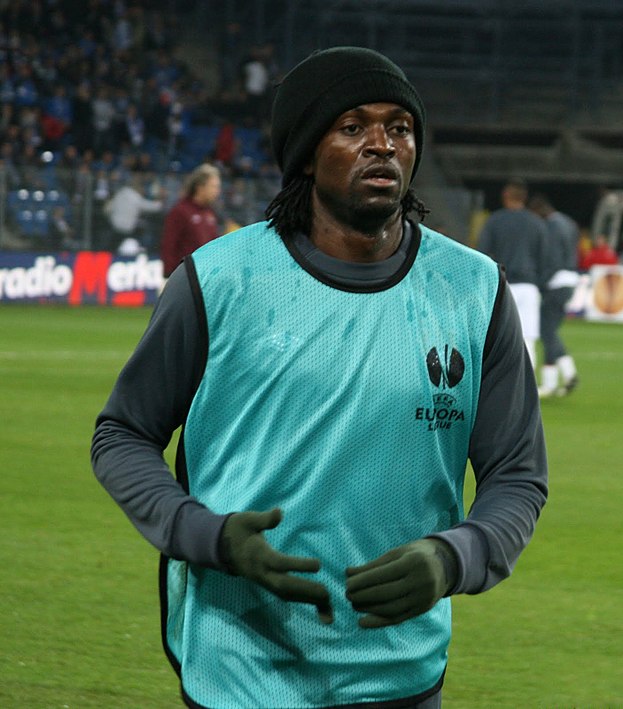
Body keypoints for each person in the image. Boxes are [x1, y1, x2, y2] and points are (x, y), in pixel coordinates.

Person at [91, 47, 548, 709]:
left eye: (400, 127)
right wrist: (205, 534)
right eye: (353, 126)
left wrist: (458, 555)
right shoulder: (220, 279)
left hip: (403, 672)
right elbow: (122, 434)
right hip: (242, 667)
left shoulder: (473, 289)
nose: (383, 145)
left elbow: (517, 473)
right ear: (307, 151)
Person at [477, 178, 551, 370]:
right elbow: (545, 258)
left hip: (501, 285)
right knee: (528, 338)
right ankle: (527, 390)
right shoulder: (537, 224)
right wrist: (539, 284)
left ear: (505, 196)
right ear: (524, 198)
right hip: (529, 286)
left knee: (495, 339)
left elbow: (482, 253)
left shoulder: (495, 221)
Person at [528, 194, 580, 397]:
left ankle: (569, 372)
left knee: (546, 330)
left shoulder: (551, 227)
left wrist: (540, 282)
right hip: (570, 280)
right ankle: (550, 383)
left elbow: (552, 258)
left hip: (556, 282)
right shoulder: (567, 222)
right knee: (548, 329)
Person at [159, 163, 222, 277]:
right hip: (184, 279)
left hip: (205, 278)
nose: (217, 191)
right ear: (200, 187)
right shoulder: (180, 211)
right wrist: (169, 276)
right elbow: (168, 245)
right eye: (214, 186)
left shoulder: (210, 214)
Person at [103, 177, 164, 252]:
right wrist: (161, 201)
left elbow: (107, 209)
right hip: (127, 231)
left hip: (114, 227)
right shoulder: (135, 197)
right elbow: (153, 207)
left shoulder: (120, 193)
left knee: (111, 249)